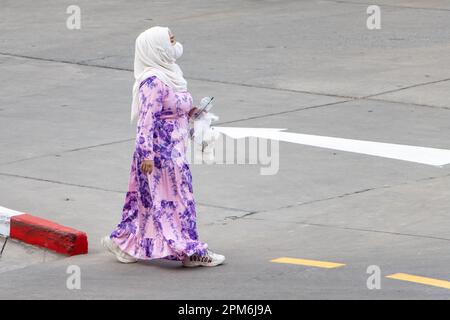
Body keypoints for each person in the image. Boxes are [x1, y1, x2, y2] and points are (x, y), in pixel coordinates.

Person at [102, 26, 225, 267]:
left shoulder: (171, 73)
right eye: (170, 41)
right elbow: (145, 122)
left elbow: (174, 107)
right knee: (172, 203)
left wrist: (195, 113)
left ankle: (123, 242)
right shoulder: (152, 82)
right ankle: (189, 251)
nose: (175, 44)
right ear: (157, 48)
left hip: (175, 151)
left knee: (153, 203)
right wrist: (147, 156)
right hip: (158, 156)